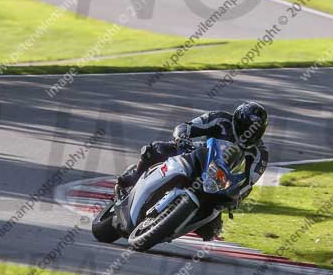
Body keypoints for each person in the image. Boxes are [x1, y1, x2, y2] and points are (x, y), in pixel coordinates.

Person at [115, 102, 269, 240]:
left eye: (255, 130)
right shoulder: (221, 120)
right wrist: (182, 138)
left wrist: (236, 195)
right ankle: (135, 177)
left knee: (211, 232)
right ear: (238, 121)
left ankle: (167, 227)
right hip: (195, 156)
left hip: (219, 182)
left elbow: (248, 182)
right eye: (247, 127)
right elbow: (187, 126)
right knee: (156, 149)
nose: (249, 133)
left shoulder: (260, 155)